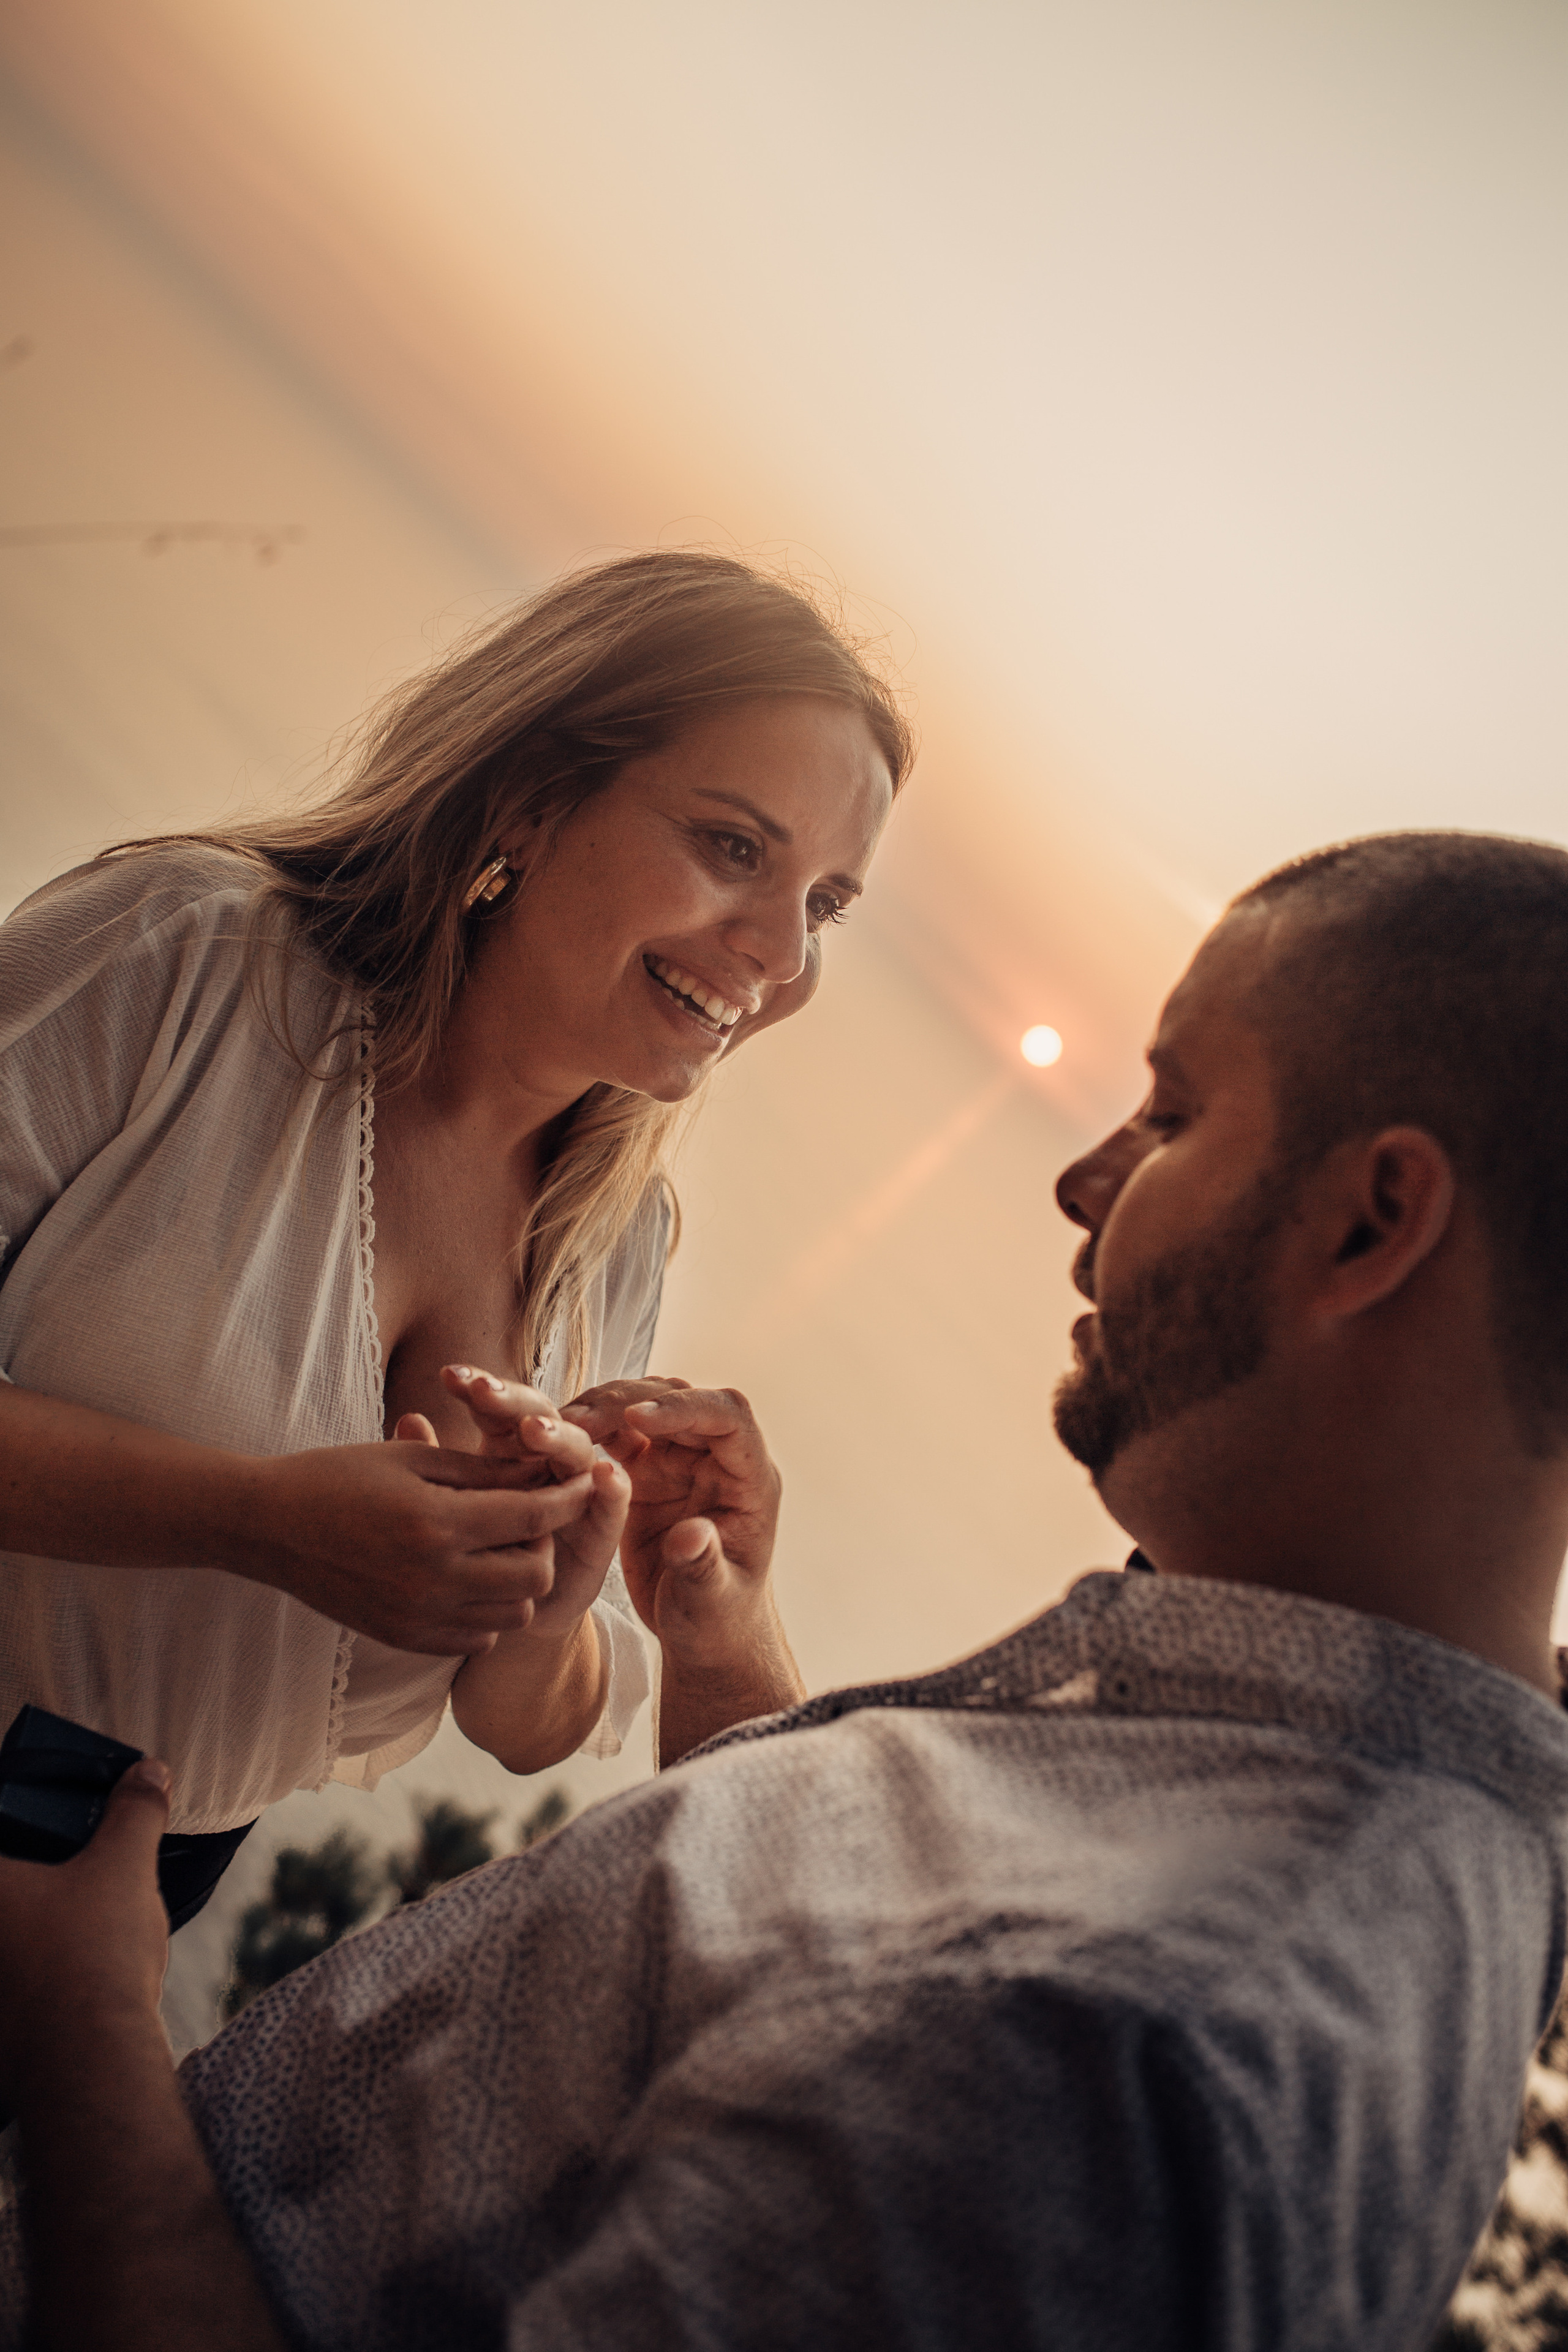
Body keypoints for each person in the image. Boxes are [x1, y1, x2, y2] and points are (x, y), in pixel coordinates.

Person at [5, 827, 1568, 2352]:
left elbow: (950, 2046)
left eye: (1169, 1114)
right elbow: (840, 1992)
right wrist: (727, 1652)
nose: (1082, 1179)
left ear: (1370, 1222)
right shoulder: (1327, 1795)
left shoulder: (1089, 2057)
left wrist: (83, 2022)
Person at [0, 550, 909, 1924]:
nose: (780, 952)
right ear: (531, 799)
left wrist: (557, 1601)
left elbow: (533, 1719)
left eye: (825, 904)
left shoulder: (615, 1237)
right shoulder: (182, 956)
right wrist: (252, 1522)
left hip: (122, 1907)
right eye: (735, 848)